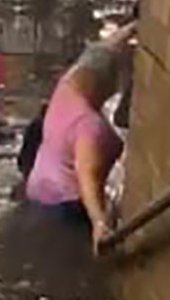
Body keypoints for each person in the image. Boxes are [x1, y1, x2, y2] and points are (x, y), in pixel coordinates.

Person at [24, 21, 135, 254]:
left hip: (38, 191)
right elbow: (88, 179)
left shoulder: (66, 89)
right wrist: (99, 222)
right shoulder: (89, 126)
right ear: (105, 84)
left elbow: (98, 54)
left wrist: (133, 28)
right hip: (68, 207)